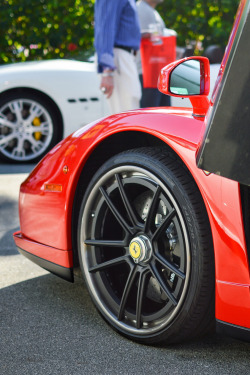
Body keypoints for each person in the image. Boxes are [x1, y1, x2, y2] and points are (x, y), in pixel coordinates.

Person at [94, 0, 142, 114]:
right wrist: (107, 71)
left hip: (123, 57)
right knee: (125, 113)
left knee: (130, 110)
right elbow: (106, 28)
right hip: (117, 58)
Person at [136, 0, 171, 107]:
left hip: (155, 72)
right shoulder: (141, 9)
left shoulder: (151, 11)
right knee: (150, 116)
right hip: (147, 74)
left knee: (161, 115)